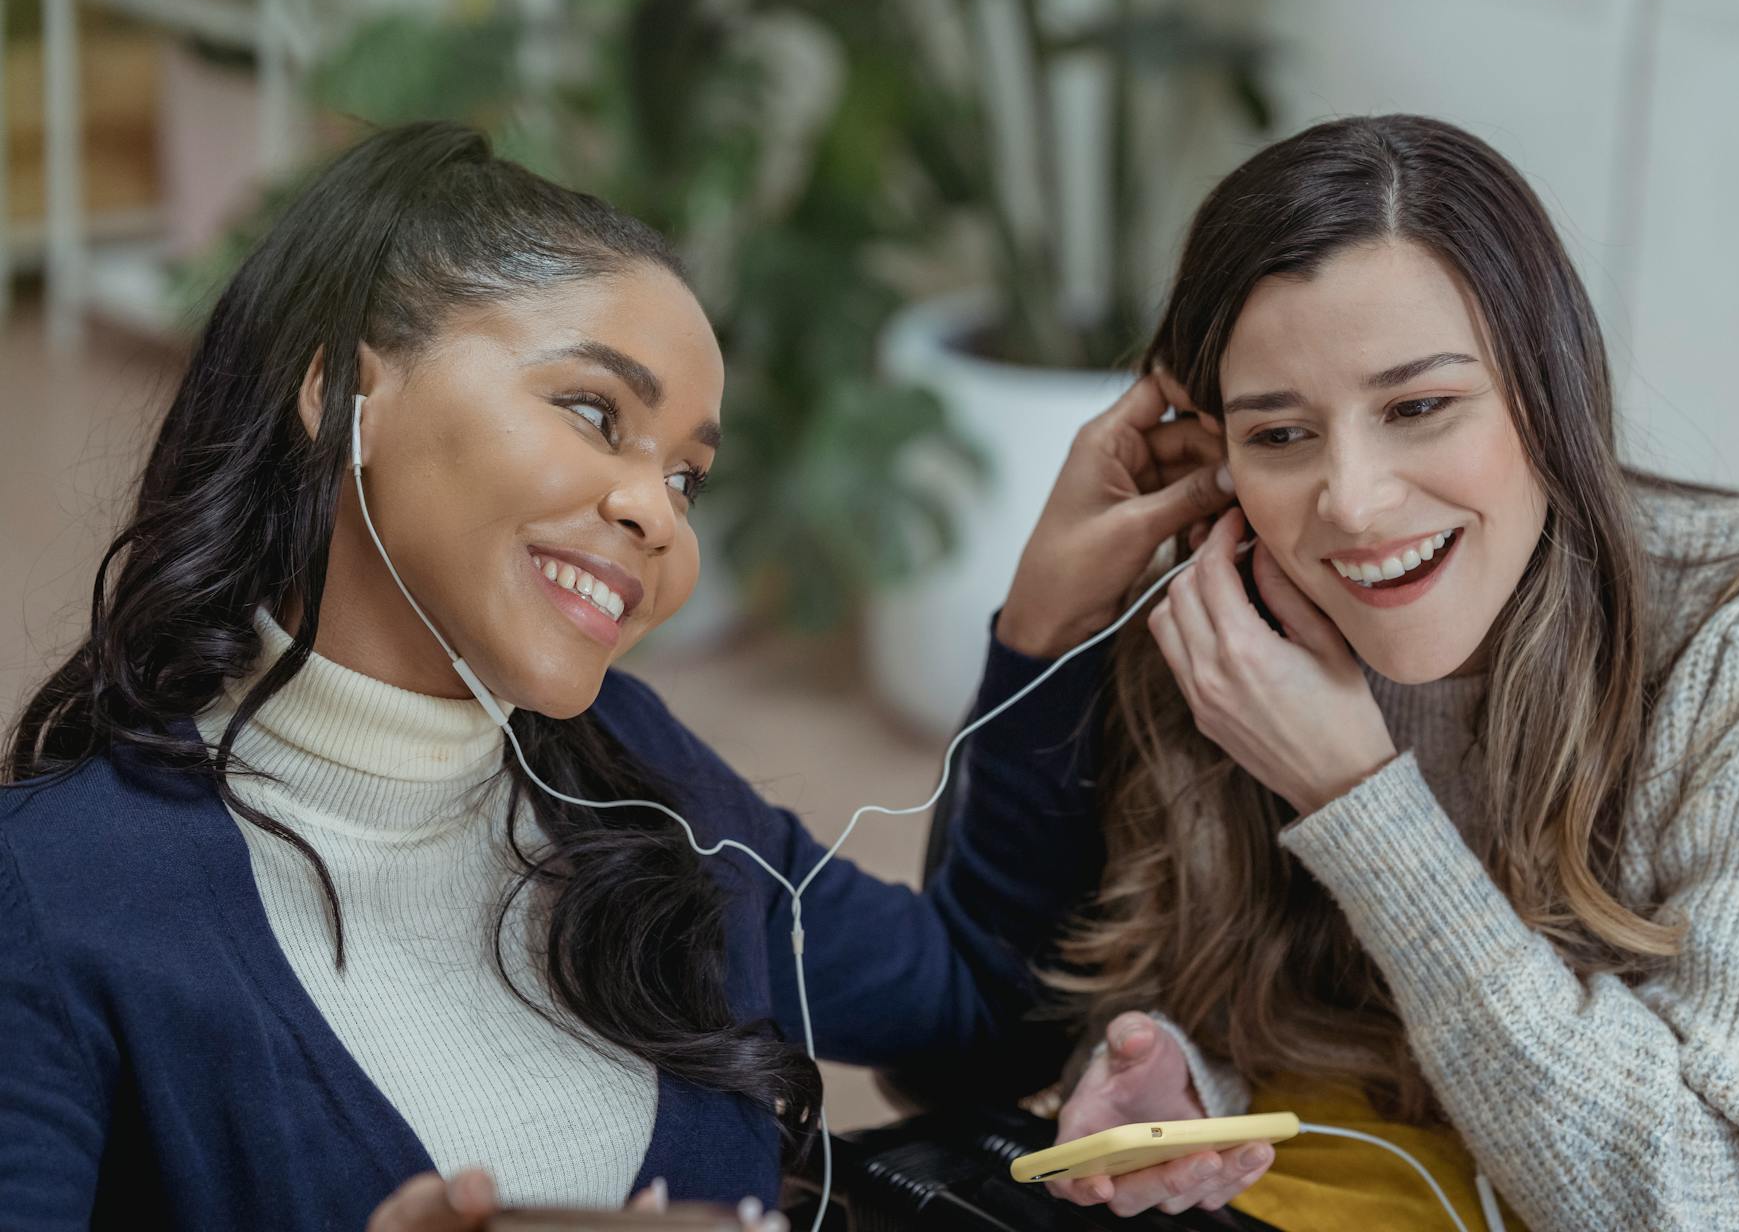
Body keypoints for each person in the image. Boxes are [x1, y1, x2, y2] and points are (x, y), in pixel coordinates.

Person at [0, 122, 1234, 1231]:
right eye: (594, 413)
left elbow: (972, 1005)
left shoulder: (643, 790)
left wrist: (1046, 620)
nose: (656, 512)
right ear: (344, 396)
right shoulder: (58, 892)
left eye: (689, 476)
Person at [993, 114, 1739, 1230]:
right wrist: (1181, 1074)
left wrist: (1357, 798)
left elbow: (1697, 1199)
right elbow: (1125, 992)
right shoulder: (1232, 617)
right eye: (1280, 435)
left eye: (1419, 407)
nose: (1354, 500)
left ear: (1547, 391)